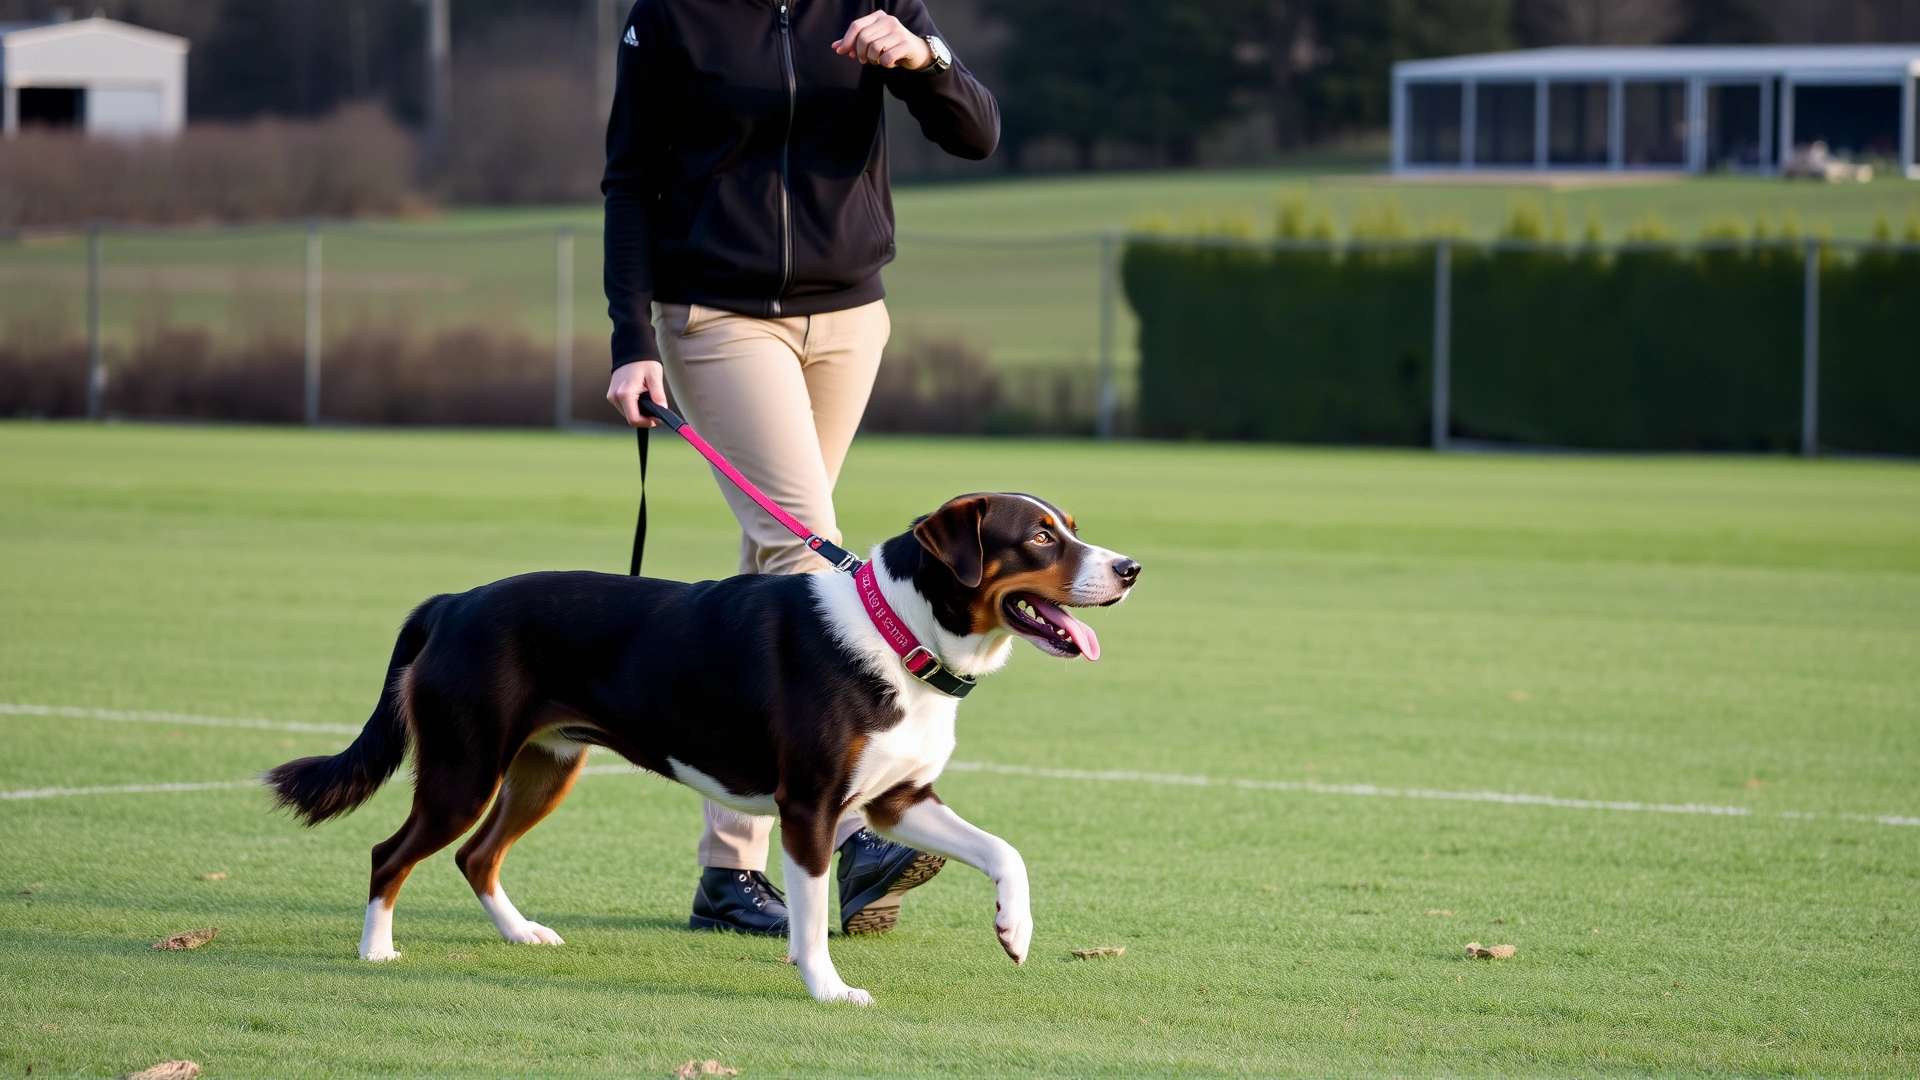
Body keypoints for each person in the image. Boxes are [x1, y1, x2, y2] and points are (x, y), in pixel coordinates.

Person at [600, 0, 999, 937]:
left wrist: (922, 56)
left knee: (772, 560)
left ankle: (728, 872)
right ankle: (857, 821)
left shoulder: (877, 0)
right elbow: (630, 179)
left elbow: (975, 133)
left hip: (851, 316)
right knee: (805, 555)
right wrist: (629, 336)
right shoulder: (669, 14)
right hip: (717, 317)